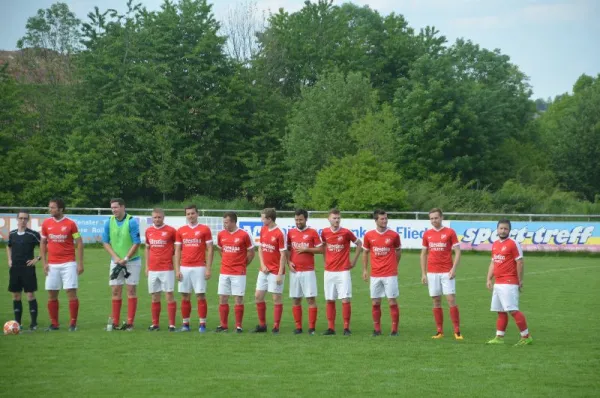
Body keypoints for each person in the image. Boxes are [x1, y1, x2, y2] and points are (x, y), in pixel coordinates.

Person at [486, 219, 533, 346]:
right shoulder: (495, 244)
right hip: (498, 282)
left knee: (513, 310)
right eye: (501, 228)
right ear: (497, 229)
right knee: (500, 311)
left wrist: (520, 280)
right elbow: (493, 262)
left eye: (505, 228)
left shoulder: (513, 244)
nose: (503, 231)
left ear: (509, 230)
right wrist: (489, 278)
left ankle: (526, 336)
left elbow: (520, 262)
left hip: (509, 282)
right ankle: (499, 337)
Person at [40, 198, 84, 331]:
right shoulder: (46, 224)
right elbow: (43, 243)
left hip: (68, 263)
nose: (50, 210)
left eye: (53, 207)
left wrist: (80, 263)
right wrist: (44, 262)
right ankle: (54, 324)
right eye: (50, 207)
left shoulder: (71, 224)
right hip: (52, 265)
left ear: (61, 209)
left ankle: (73, 324)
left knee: (71, 292)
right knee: (52, 294)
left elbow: (79, 243)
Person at [420, 208, 463, 340]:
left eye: (436, 218)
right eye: (431, 218)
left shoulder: (450, 232)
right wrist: (423, 273)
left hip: (446, 272)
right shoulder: (427, 234)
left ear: (441, 217)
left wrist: (454, 268)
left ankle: (457, 331)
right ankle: (439, 331)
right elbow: (423, 254)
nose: (434, 220)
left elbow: (458, 251)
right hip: (432, 272)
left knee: (450, 299)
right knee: (436, 300)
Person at [320, 209, 362, 336]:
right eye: (334, 218)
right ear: (329, 219)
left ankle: (346, 328)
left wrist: (353, 261)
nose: (336, 220)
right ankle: (331, 328)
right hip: (329, 271)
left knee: (345, 299)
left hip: (343, 271)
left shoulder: (346, 232)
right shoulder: (325, 232)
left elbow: (359, 244)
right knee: (329, 299)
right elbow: (323, 247)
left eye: (338, 218)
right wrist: (325, 261)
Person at [102, 198, 141, 331]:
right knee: (115, 290)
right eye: (112, 208)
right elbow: (105, 242)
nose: (114, 210)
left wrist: (126, 258)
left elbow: (137, 242)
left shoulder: (132, 222)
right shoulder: (109, 222)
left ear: (123, 207)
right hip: (116, 261)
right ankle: (115, 322)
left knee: (131, 290)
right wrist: (116, 258)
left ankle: (130, 322)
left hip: (132, 261)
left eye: (116, 207)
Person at [174, 204, 214, 333]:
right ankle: (186, 324)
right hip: (184, 267)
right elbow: (178, 250)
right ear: (186, 215)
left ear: (197, 214)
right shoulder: (181, 230)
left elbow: (210, 249)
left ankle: (202, 324)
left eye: (192, 213)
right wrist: (177, 269)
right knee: (185, 296)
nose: (190, 216)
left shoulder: (205, 229)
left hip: (199, 267)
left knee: (200, 296)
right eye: (188, 214)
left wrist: (208, 268)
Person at [362, 210, 402, 336]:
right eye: (382, 219)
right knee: (375, 302)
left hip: (390, 273)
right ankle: (377, 329)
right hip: (375, 274)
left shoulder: (394, 235)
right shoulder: (369, 235)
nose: (384, 221)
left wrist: (395, 265)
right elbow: (365, 252)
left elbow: (398, 250)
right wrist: (364, 269)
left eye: (386, 218)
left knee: (392, 301)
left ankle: (394, 330)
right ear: (376, 220)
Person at [215, 211, 254, 333]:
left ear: (233, 221)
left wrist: (243, 264)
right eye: (224, 222)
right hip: (224, 271)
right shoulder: (221, 234)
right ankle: (223, 325)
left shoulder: (244, 235)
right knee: (222, 298)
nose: (224, 224)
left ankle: (238, 326)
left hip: (238, 272)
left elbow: (251, 253)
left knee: (238, 298)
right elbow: (220, 249)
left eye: (226, 222)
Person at [287, 209, 323, 335]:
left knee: (310, 299)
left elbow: (321, 249)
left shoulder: (312, 232)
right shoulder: (291, 233)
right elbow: (287, 250)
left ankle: (312, 328)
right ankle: (298, 327)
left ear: (306, 219)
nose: (298, 222)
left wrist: (307, 249)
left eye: (300, 219)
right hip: (295, 271)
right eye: (296, 220)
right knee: (296, 299)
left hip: (308, 271)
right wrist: (288, 262)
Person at [253, 208, 287, 334]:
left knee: (276, 298)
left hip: (275, 271)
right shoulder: (263, 229)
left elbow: (283, 255)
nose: (261, 220)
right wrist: (262, 265)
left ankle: (276, 326)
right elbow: (261, 248)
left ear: (269, 219)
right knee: (258, 296)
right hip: (264, 270)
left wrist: (279, 273)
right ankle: (262, 325)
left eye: (263, 218)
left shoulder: (280, 233)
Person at [6, 210, 41, 330]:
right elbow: (8, 246)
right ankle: (17, 323)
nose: (23, 220)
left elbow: (45, 246)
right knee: (16, 295)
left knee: (30, 295)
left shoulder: (33, 234)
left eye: (25, 218)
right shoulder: (12, 234)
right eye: (21, 218)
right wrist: (9, 260)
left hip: (28, 269)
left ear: (28, 220)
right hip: (15, 269)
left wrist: (37, 258)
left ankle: (34, 324)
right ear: (17, 219)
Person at [144, 208, 177, 332]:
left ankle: (172, 324)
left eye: (159, 217)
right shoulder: (148, 231)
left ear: (163, 217)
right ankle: (155, 324)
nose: (157, 219)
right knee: (154, 297)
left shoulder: (171, 231)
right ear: (152, 218)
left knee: (169, 295)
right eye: (155, 217)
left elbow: (178, 248)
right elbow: (147, 249)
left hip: (167, 268)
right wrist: (147, 267)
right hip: (153, 269)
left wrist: (176, 264)